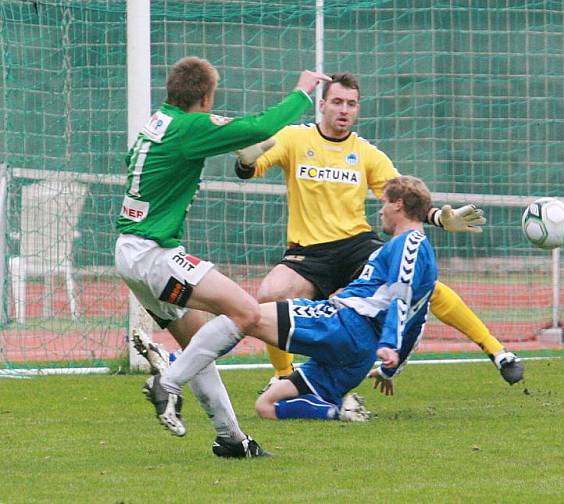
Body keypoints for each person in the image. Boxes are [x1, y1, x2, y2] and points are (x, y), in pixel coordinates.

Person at [234, 72, 523, 390]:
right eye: (337, 102)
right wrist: (246, 163)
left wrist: (441, 217)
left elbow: (406, 199)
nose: (344, 110)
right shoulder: (293, 138)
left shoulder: (366, 153)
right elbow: (252, 166)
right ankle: (283, 376)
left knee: (427, 287)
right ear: (322, 105)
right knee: (269, 297)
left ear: (357, 109)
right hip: (309, 253)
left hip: (357, 246)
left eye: (351, 104)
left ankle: (498, 352)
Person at [115, 56, 330, 458]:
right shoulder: (189, 127)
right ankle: (168, 382)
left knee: (200, 343)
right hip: (154, 253)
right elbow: (261, 127)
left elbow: (221, 138)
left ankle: (232, 439)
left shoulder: (158, 122)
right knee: (246, 314)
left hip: (131, 251)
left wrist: (242, 143)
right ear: (205, 96)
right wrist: (302, 90)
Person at [149, 176, 438, 430]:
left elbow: (401, 296)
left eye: (385, 203)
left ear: (398, 204)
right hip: (357, 358)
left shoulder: (408, 244)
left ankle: (171, 377)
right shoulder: (423, 256)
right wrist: (390, 369)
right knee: (267, 405)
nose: (381, 210)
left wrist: (388, 343)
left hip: (343, 325)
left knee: (245, 314)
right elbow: (418, 318)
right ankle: (338, 411)